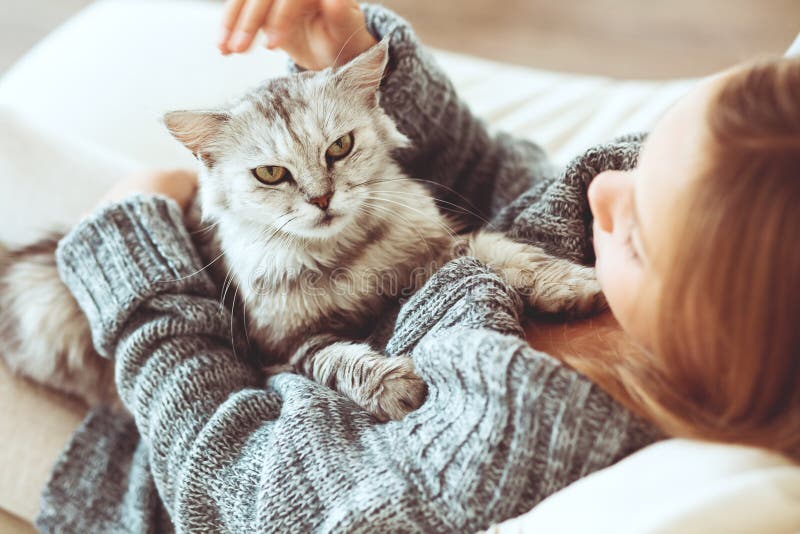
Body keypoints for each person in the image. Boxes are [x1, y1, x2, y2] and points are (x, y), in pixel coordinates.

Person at [25, 1, 798, 532]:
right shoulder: (708, 206)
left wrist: (137, 268)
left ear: (707, 323)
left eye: (632, 224)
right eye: (646, 151)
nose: (600, 182)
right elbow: (502, 186)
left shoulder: (512, 436)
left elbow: (238, 491)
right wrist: (355, 60)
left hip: (151, 441)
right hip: (240, 273)